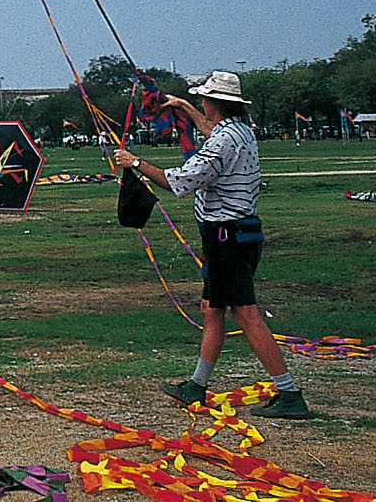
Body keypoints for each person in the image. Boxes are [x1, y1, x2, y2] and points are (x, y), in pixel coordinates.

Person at [115, 70, 312, 420]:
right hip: (234, 235)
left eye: (204, 100)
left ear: (215, 103)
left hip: (227, 237)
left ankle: (289, 393)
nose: (202, 105)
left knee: (246, 314)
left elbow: (180, 181)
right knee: (211, 309)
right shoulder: (239, 131)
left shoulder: (224, 142)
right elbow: (211, 130)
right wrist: (184, 106)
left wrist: (136, 163)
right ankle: (196, 386)